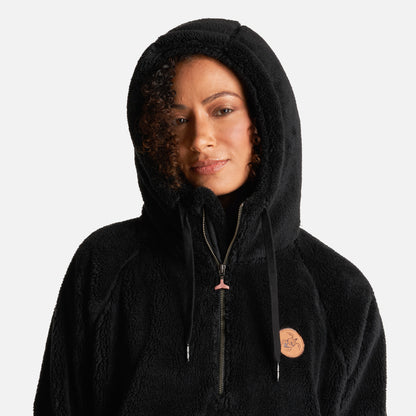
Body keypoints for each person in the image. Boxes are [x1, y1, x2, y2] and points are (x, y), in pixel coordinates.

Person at [33, 18, 387, 415]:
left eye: (222, 110)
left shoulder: (338, 291)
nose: (200, 138)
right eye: (178, 119)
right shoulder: (105, 266)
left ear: (263, 119)